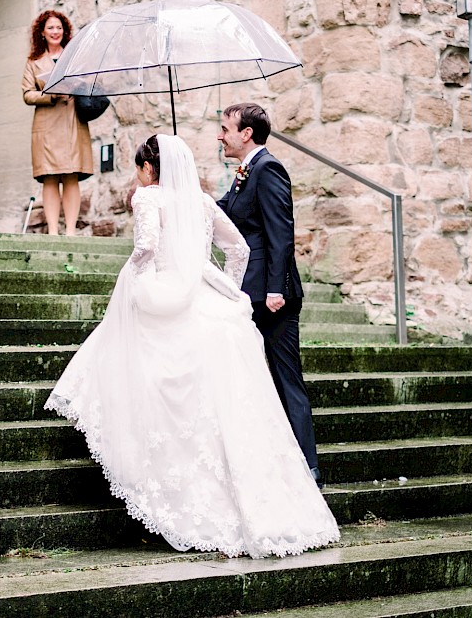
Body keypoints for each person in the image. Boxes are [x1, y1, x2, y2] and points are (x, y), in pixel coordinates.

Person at [45, 134, 340, 558]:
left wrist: (138, 276)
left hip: (166, 291)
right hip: (211, 301)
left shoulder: (147, 198)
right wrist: (227, 288)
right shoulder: (202, 202)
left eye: (139, 168)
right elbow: (238, 248)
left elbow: (146, 246)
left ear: (149, 168)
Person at [216, 103, 324, 488]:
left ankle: (308, 469)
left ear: (246, 133)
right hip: (251, 291)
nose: (220, 134)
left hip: (272, 296)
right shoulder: (245, 173)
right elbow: (224, 212)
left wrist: (277, 288)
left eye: (225, 128)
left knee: (286, 379)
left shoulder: (268, 168)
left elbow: (282, 232)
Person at [22, 10, 94, 236]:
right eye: (51, 28)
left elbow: (88, 83)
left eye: (59, 28)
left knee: (72, 174)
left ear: (65, 32)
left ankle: (71, 231)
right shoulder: (33, 62)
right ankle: (53, 231)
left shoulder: (74, 57)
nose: (55, 32)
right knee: (50, 176)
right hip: (47, 125)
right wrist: (50, 94)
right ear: (42, 32)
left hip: (72, 122)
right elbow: (27, 94)